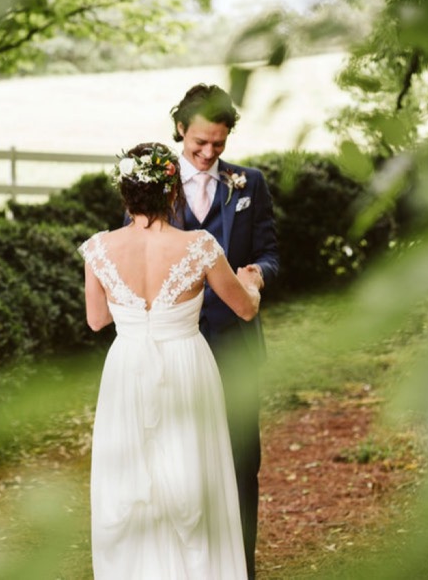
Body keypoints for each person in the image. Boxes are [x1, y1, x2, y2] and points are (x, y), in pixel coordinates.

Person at [80, 142, 264, 580]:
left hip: (126, 368)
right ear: (173, 193)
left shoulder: (98, 249)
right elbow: (244, 309)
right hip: (185, 364)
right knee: (189, 472)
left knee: (132, 476)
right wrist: (250, 281)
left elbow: (96, 320)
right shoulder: (200, 245)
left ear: (125, 194)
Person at [171, 83, 279, 580]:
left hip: (236, 344)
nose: (208, 154)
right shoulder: (153, 185)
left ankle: (242, 568)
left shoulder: (249, 184)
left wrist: (257, 273)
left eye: (218, 144)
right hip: (174, 348)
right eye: (199, 144)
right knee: (181, 463)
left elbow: (271, 252)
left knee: (240, 462)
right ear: (180, 130)